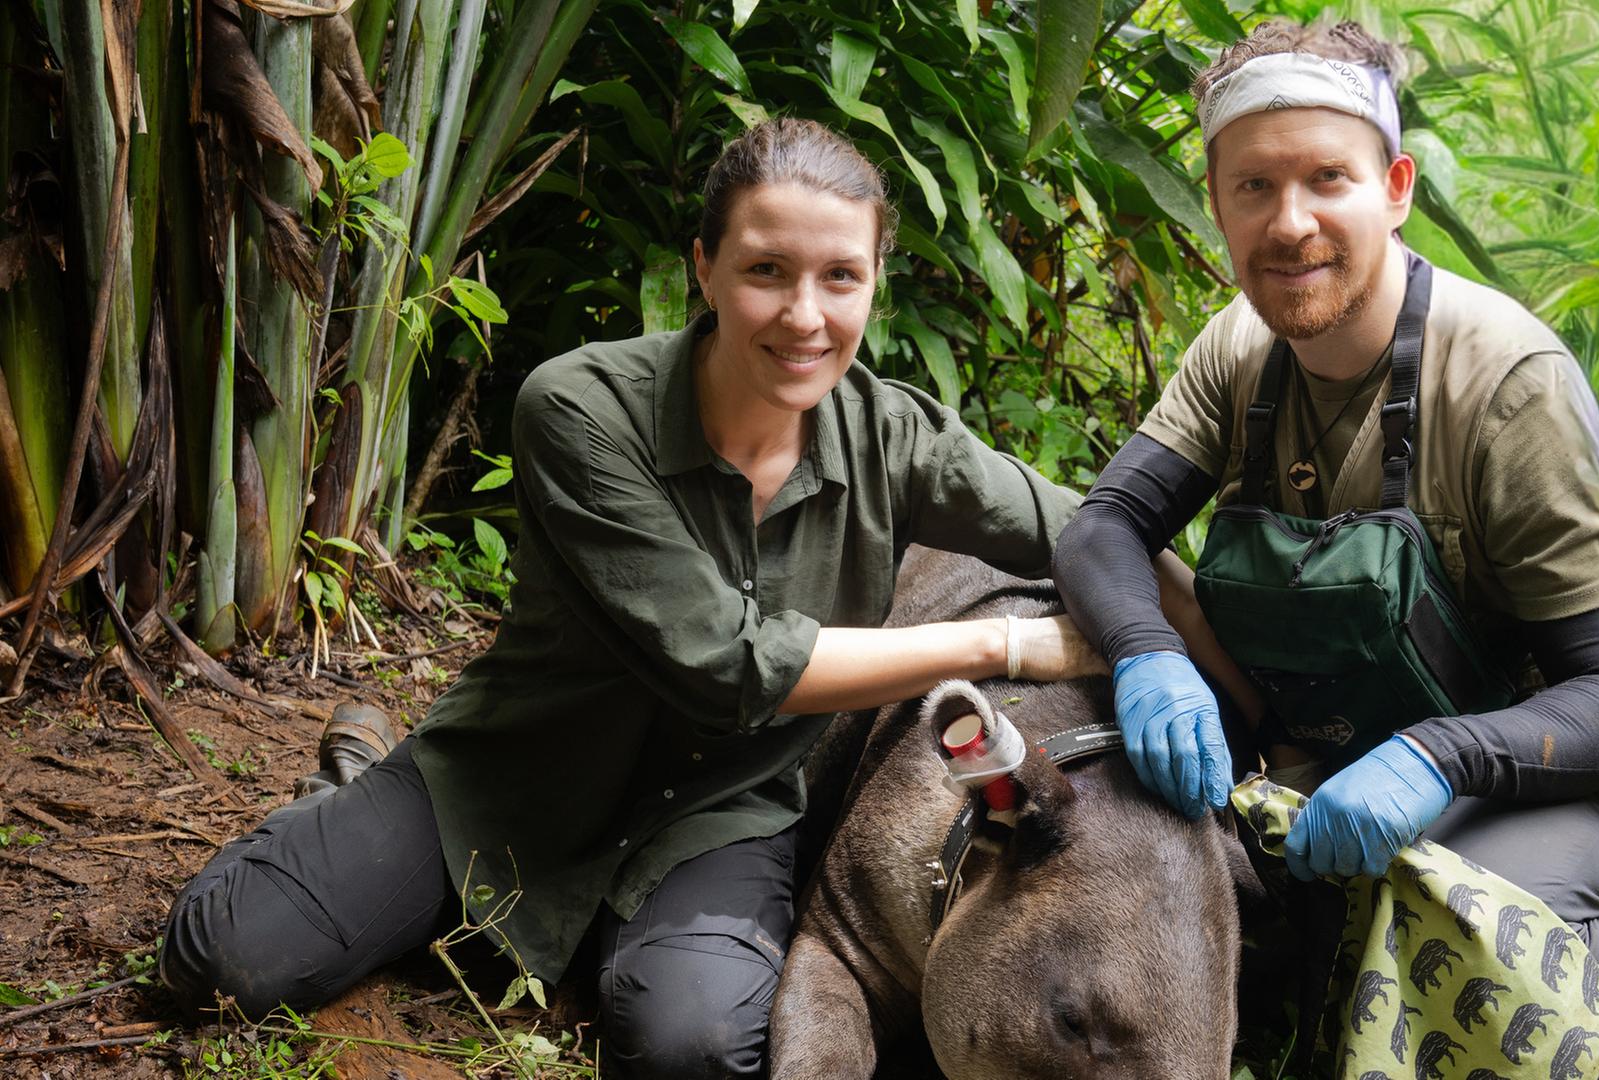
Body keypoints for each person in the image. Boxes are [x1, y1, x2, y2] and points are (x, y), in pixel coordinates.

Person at [158, 118, 1233, 1079]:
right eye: (767, 270)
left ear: (873, 287)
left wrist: (1181, 656)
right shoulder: (581, 409)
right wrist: (1020, 648)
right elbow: (731, 665)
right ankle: (354, 794)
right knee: (222, 959)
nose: (805, 316)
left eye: (840, 279)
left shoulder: (895, 435)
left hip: (715, 816)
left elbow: (1096, 531)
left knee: (696, 1049)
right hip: (506, 783)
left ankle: (601, 938)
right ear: (704, 270)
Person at [1052, 18, 1599, 983]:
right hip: (1310, 749)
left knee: (1453, 945)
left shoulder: (1509, 379)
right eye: (1254, 185)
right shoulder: (1237, 350)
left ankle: (1572, 938)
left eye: (1326, 179)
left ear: (1395, 190)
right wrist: (1147, 658)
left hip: (1522, 771)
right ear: (1216, 203)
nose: (1289, 223)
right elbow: (1104, 530)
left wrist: (1437, 758)